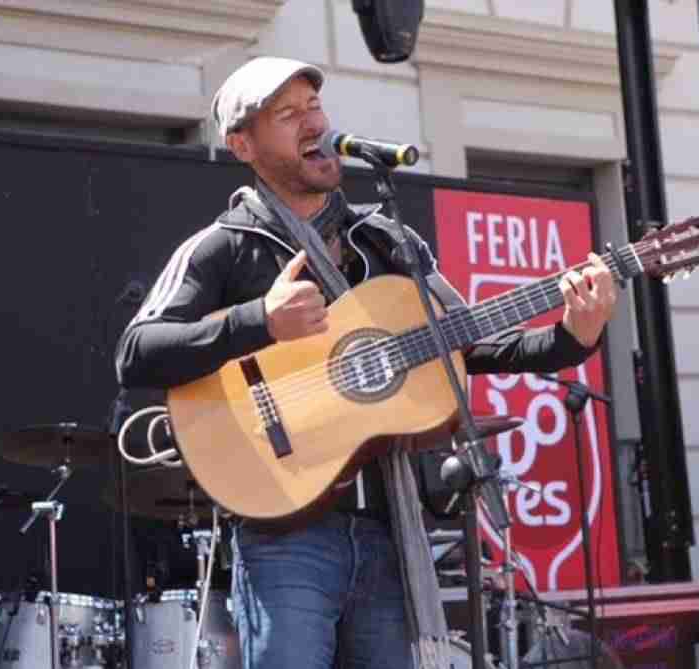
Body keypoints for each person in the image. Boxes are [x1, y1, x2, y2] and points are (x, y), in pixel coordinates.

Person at [115, 56, 617, 669]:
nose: (313, 124)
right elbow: (137, 352)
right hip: (285, 534)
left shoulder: (387, 242)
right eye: (288, 114)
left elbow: (468, 345)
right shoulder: (224, 246)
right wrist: (260, 322)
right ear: (242, 144)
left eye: (315, 108)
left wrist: (575, 335)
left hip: (391, 530)